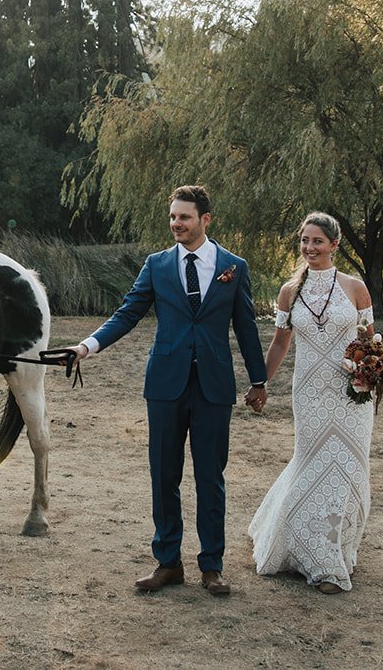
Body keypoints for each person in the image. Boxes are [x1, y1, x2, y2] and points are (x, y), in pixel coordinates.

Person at [68, 185, 268, 597]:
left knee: (211, 477)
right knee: (164, 474)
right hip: (165, 384)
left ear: (205, 220)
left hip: (214, 386)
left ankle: (212, 566)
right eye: (173, 217)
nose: (177, 224)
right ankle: (167, 562)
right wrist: (87, 346)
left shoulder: (234, 267)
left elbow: (246, 328)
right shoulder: (156, 265)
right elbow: (128, 312)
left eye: (185, 217)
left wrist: (258, 380)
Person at [247, 211, 376, 593]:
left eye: (317, 241)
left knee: (347, 469)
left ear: (334, 245)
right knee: (313, 463)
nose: (310, 248)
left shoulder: (355, 288)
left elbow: (371, 342)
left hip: (351, 394)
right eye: (305, 241)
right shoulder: (290, 291)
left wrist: (373, 376)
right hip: (310, 393)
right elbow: (280, 344)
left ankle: (333, 552)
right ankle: (316, 558)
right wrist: (260, 383)